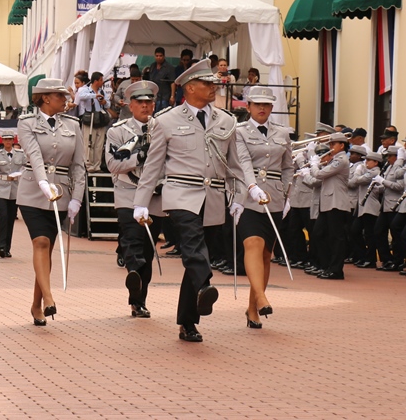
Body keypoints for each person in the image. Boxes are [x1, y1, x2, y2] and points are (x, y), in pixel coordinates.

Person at [133, 59, 245, 342]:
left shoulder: (227, 121)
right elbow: (153, 166)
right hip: (180, 194)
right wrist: (141, 202)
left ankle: (187, 321)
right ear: (190, 88)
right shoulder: (166, 120)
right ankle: (205, 285)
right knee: (193, 246)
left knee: (199, 256)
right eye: (207, 83)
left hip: (214, 196)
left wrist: (239, 196)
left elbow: (235, 164)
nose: (213, 88)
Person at [16, 78, 86, 326]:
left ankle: (36, 304)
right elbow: (34, 155)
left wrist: (77, 198)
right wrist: (43, 183)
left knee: (47, 250)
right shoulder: (27, 123)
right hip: (33, 191)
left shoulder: (73, 125)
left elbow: (79, 165)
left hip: (61, 194)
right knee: (41, 242)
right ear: (45, 98)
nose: (65, 100)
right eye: (59, 96)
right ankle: (49, 298)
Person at [234, 86, 294, 328]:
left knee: (266, 255)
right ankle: (261, 297)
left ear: (271, 107)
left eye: (266, 105)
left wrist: (287, 194)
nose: (262, 108)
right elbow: (243, 162)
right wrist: (252, 187)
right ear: (248, 107)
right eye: (257, 104)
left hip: (274, 197)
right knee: (252, 243)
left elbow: (288, 166)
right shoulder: (239, 131)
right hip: (247, 196)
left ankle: (252, 310)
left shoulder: (282, 132)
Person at [105, 80, 162, 318]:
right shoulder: (118, 131)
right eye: (140, 102)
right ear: (130, 105)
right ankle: (133, 272)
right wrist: (139, 157)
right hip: (128, 192)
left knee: (148, 249)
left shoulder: (162, 129)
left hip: (155, 196)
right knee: (131, 240)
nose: (145, 105)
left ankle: (139, 298)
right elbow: (112, 164)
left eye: (149, 101)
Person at [299, 132, 351, 279]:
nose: (331, 147)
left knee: (336, 238)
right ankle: (326, 265)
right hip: (327, 203)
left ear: (342, 145)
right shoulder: (334, 159)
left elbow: (319, 175)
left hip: (336, 203)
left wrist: (313, 163)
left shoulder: (341, 160)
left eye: (333, 144)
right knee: (318, 234)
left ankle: (336, 270)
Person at [0, 131, 26, 257]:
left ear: (13, 140)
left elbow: (27, 167)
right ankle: (1, 246)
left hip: (15, 189)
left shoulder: (21, 154)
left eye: (10, 139)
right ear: (2, 141)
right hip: (1, 189)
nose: (8, 141)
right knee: (3, 217)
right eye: (6, 140)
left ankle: (7, 248)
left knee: (10, 219)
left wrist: (20, 173)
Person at [370, 145, 406, 271]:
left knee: (395, 234)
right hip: (385, 205)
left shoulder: (399, 168)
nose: (388, 159)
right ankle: (387, 259)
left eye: (390, 156)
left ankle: (397, 260)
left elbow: (399, 187)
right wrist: (378, 187)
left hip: (394, 205)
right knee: (378, 231)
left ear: (397, 157)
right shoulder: (389, 167)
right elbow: (387, 186)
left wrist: (383, 182)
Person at [349, 151, 382, 269]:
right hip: (362, 207)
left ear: (376, 162)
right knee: (355, 231)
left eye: (368, 160)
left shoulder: (375, 172)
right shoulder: (368, 171)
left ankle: (370, 259)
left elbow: (357, 181)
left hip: (370, 207)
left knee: (369, 234)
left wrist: (358, 171)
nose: (365, 162)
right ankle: (362, 256)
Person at [77, 71, 111, 172]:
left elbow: (108, 104)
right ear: (96, 81)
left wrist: (104, 102)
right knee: (88, 142)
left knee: (99, 144)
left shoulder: (102, 92)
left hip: (100, 118)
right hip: (90, 118)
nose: (102, 82)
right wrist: (94, 96)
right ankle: (88, 164)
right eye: (101, 80)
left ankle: (97, 165)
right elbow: (81, 96)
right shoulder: (85, 89)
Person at [147, 47, 176, 112]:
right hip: (153, 96)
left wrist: (172, 96)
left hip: (164, 96)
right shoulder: (152, 66)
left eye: (160, 56)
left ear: (164, 56)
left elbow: (172, 82)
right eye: (157, 56)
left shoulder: (169, 67)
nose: (159, 57)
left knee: (163, 114)